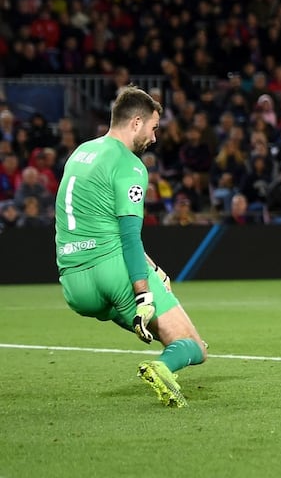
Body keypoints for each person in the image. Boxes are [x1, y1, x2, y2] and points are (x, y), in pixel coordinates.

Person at [55, 85, 207, 408]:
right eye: (153, 128)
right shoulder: (131, 165)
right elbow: (128, 236)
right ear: (136, 122)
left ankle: (164, 338)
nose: (154, 137)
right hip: (112, 272)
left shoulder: (81, 153)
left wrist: (153, 268)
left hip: (73, 283)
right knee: (193, 344)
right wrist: (144, 293)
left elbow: (100, 224)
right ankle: (164, 366)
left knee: (168, 330)